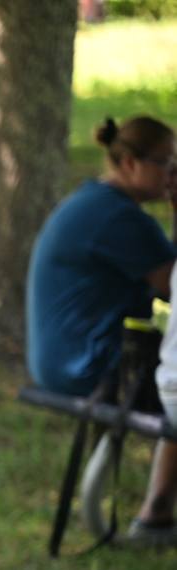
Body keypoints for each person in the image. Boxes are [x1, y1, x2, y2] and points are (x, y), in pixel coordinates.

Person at [27, 115, 177, 544]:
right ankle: (156, 513)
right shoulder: (119, 219)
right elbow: (174, 286)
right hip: (87, 368)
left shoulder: (96, 202)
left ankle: (157, 513)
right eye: (166, 164)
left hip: (62, 360)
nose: (172, 175)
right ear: (129, 163)